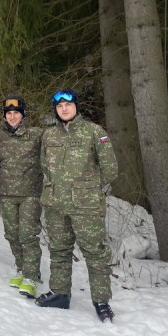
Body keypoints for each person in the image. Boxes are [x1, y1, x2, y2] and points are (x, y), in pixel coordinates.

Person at [36, 89, 118, 323]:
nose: (64, 109)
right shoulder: (49, 135)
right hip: (55, 205)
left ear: (76, 106)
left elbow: (110, 169)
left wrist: (89, 190)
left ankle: (101, 301)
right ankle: (60, 293)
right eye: (59, 106)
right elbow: (45, 166)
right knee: (59, 251)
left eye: (68, 104)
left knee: (95, 253)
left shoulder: (93, 131)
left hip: (86, 207)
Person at [0, 96, 44, 298]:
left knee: (28, 235)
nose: (12, 116)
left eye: (16, 113)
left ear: (23, 115)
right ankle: (22, 269)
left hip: (30, 194)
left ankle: (32, 276)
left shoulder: (36, 135)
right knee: (12, 234)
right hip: (7, 194)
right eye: (9, 113)